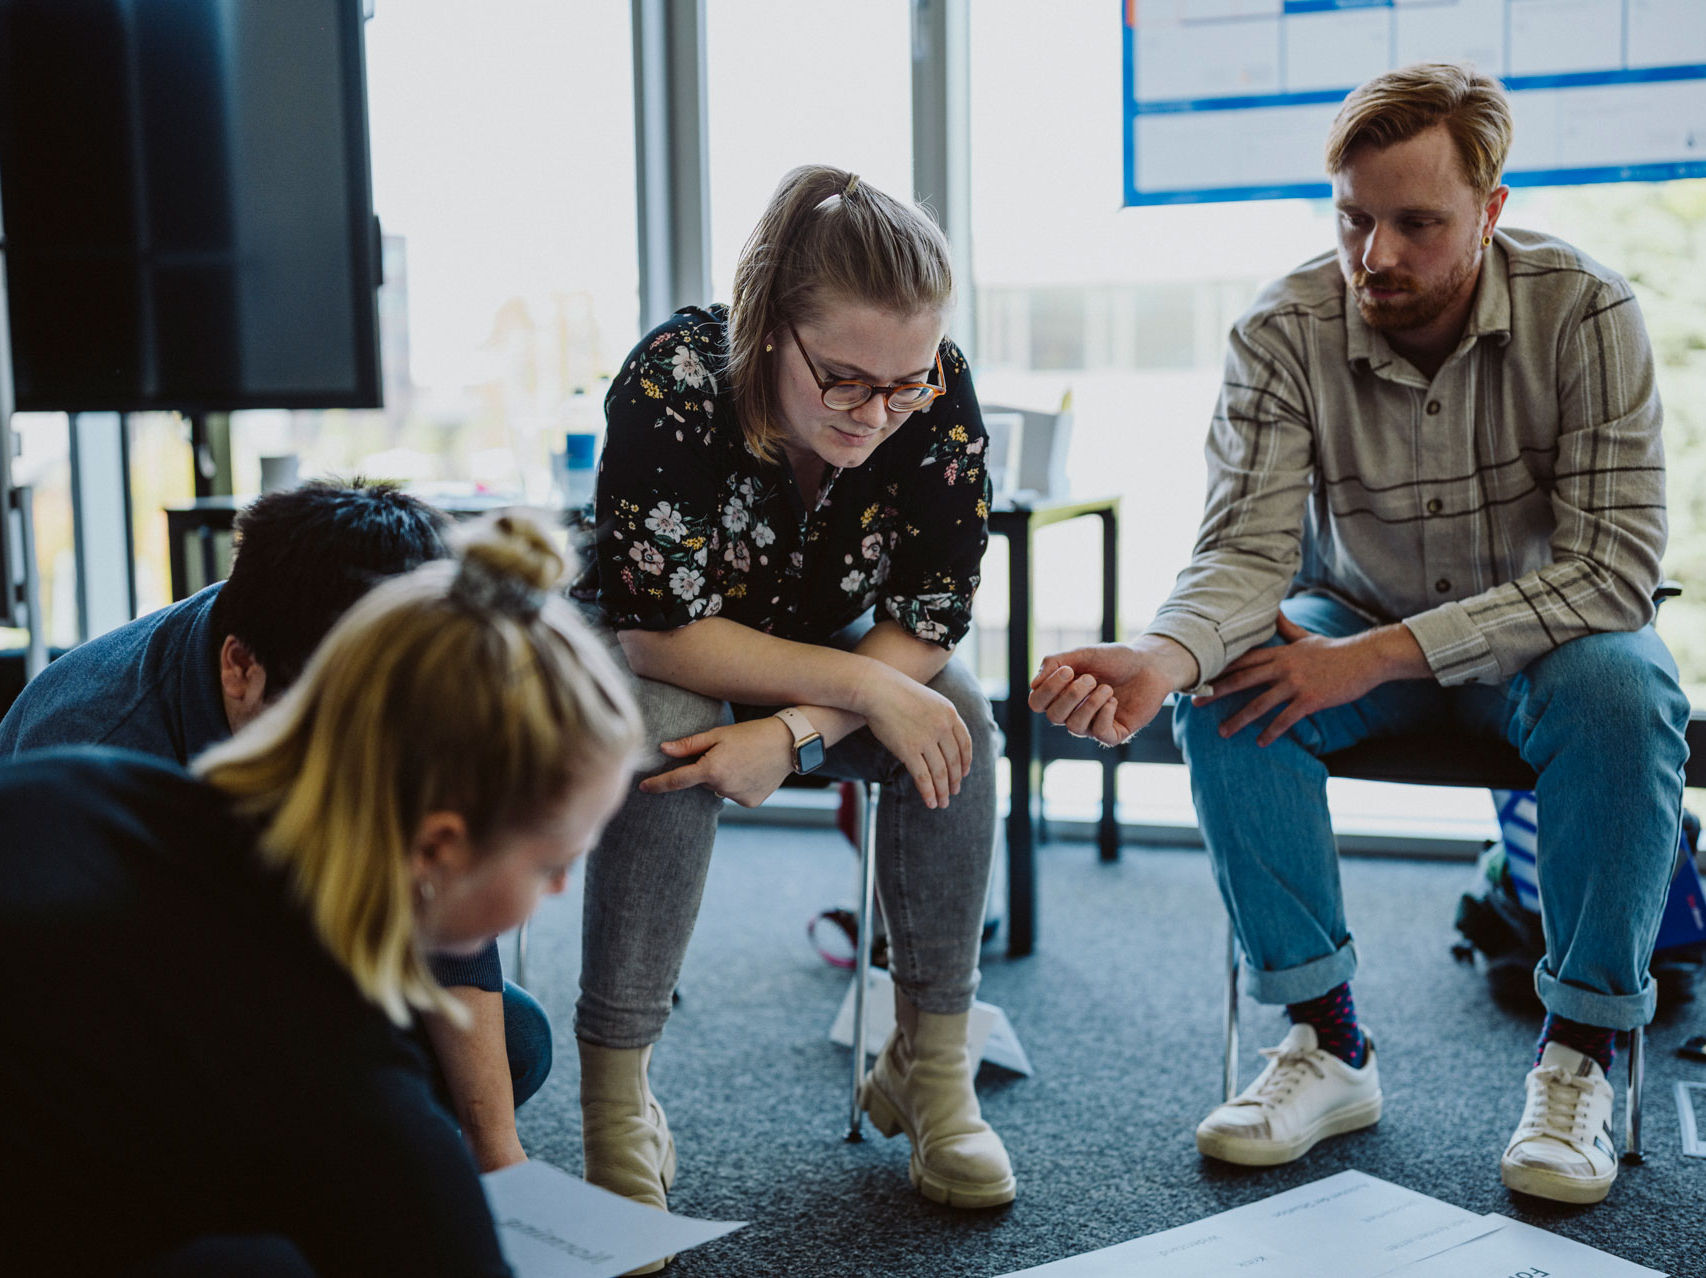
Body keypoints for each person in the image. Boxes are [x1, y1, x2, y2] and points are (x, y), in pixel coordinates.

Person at [1030, 63, 1689, 1206]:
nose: (1374, 255)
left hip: (1544, 639)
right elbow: (1239, 554)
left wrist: (1377, 656)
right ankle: (1326, 1041)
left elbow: (1611, 569)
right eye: (1351, 218)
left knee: (1627, 697)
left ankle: (1578, 1055)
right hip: (1351, 609)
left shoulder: (1586, 310)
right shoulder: (1280, 327)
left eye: (1415, 222)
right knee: (1229, 686)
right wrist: (1161, 654)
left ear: (1488, 209)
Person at [0, 516, 641, 1277]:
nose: (561, 886)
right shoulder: (337, 1074)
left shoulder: (83, 783)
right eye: (551, 862)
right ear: (435, 847)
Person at [572, 164, 1013, 1241]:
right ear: (772, 329)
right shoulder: (673, 379)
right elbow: (657, 630)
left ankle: (927, 1066)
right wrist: (859, 688)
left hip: (820, 655)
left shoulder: (929, 389)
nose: (880, 413)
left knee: (957, 717)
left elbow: (933, 610)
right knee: (672, 730)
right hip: (657, 645)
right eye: (847, 381)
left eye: (906, 382)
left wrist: (793, 736)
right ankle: (615, 1095)